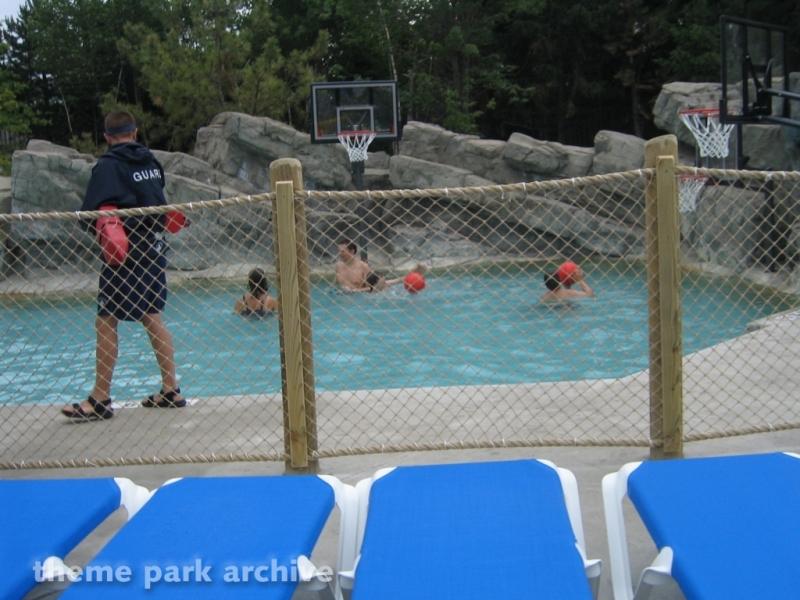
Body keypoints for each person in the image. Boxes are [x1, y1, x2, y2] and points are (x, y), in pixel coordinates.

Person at [61, 110, 186, 420]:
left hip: (126, 255)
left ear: (107, 138)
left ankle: (100, 398)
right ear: (135, 133)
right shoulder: (151, 163)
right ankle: (171, 389)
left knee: (106, 320)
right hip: (156, 248)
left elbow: (92, 214)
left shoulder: (108, 166)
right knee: (152, 314)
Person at [365, 263, 430, 293]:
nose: (384, 278)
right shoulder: (374, 293)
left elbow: (403, 278)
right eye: (382, 277)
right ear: (377, 281)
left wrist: (418, 267)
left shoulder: (385, 284)